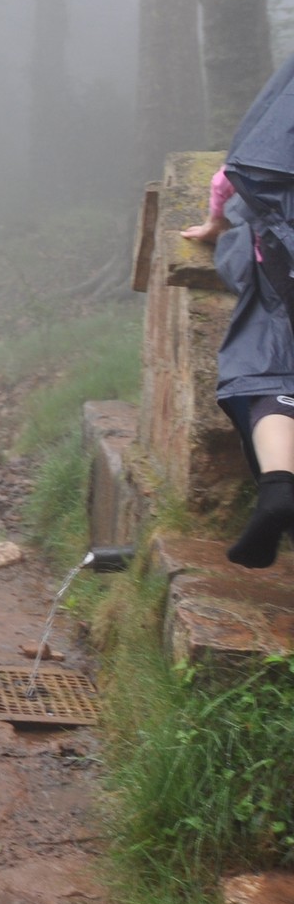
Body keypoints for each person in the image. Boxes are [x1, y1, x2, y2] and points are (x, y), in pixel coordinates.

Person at [184, 47, 294, 568]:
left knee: (271, 369)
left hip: (280, 259)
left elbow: (234, 171)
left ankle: (278, 487)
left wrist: (215, 223)